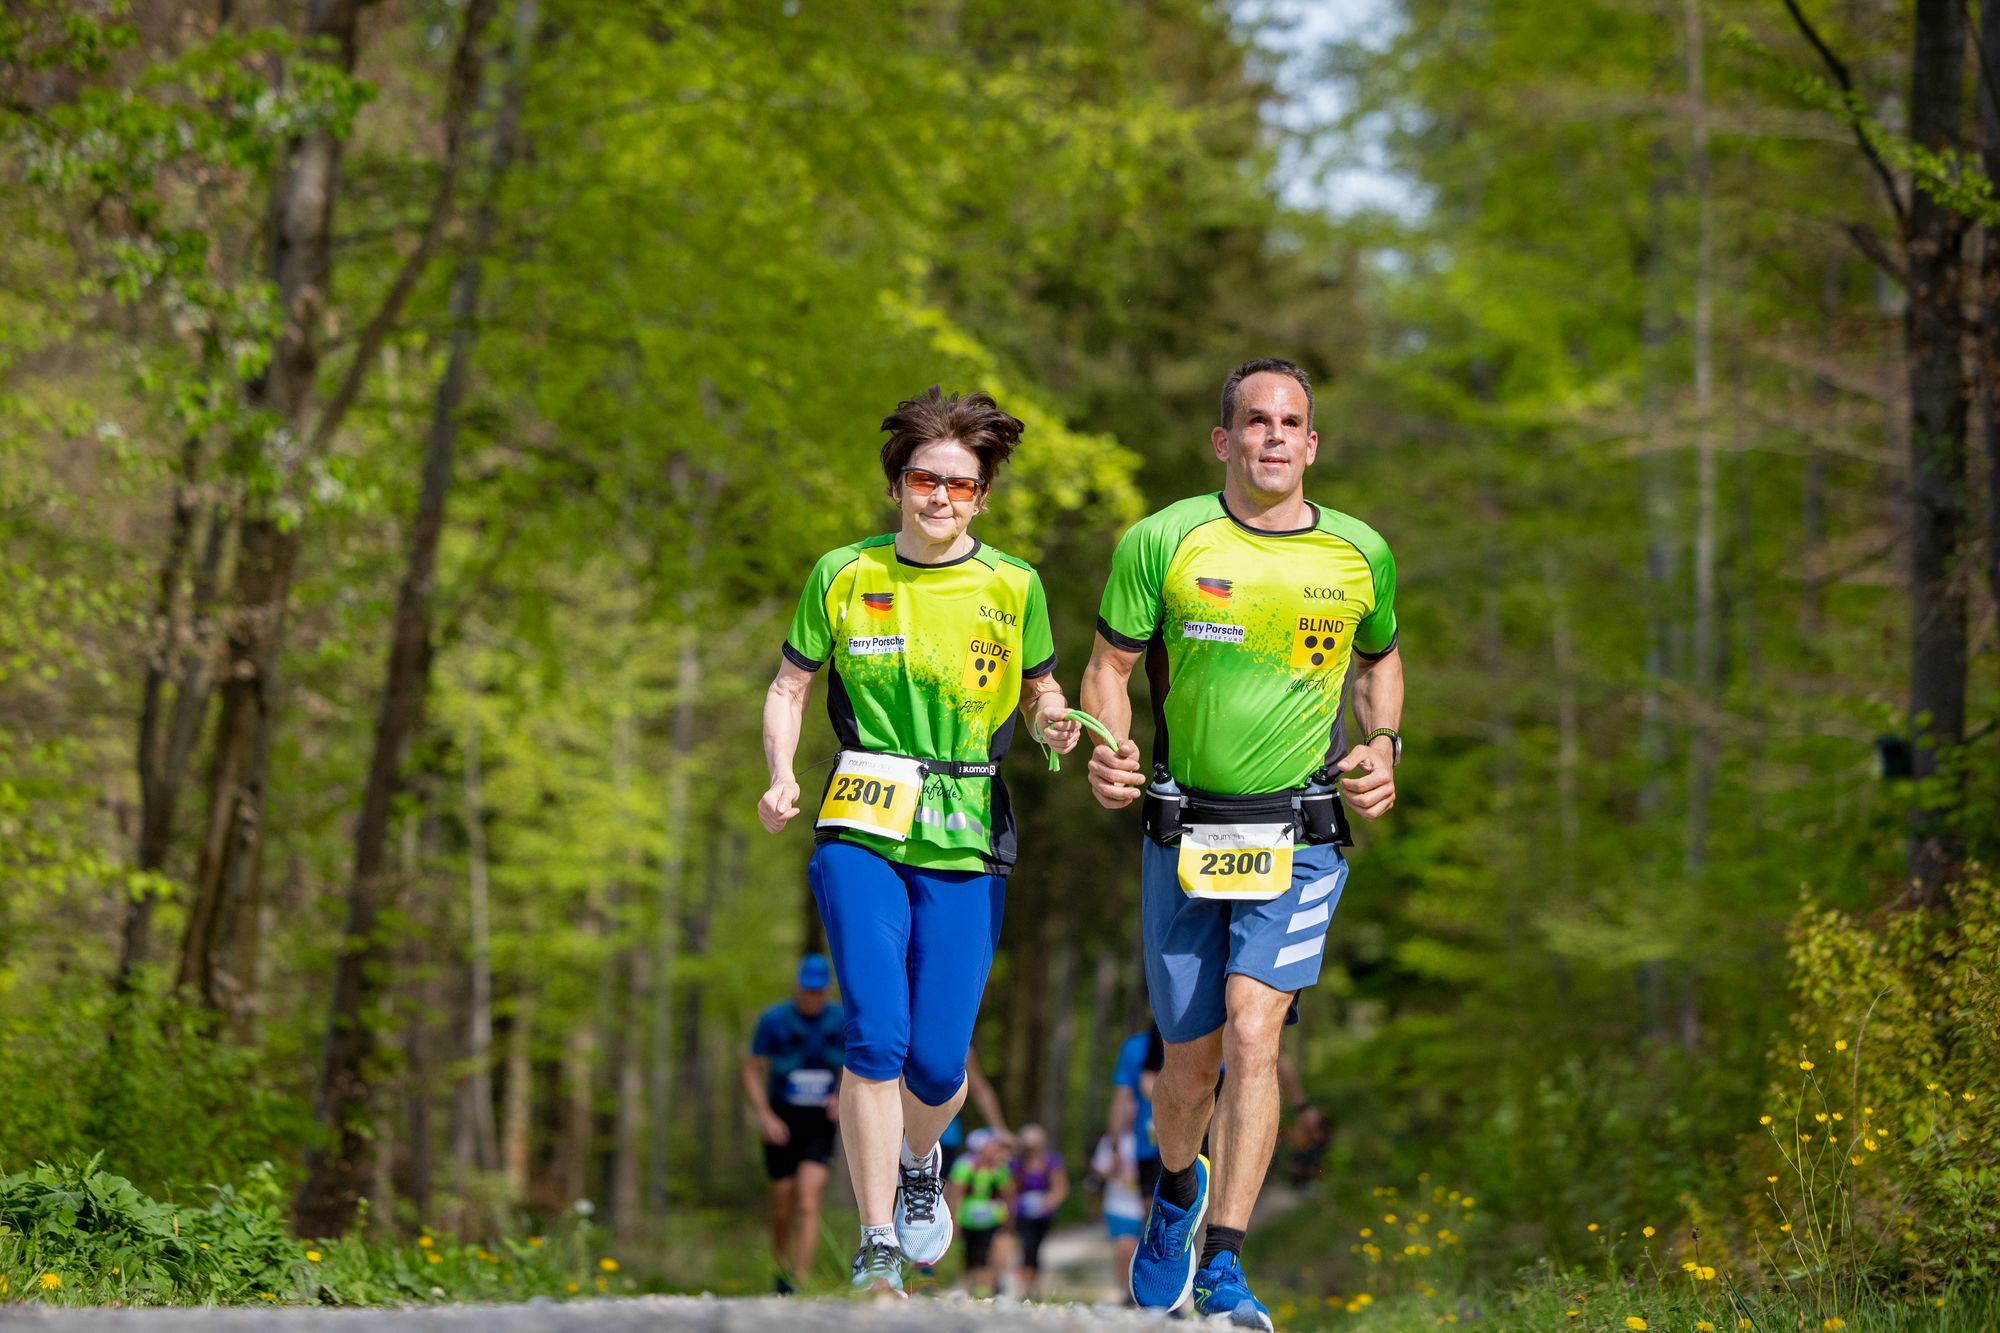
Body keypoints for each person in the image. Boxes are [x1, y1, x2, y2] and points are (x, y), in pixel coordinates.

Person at [1081, 357, 1403, 1330]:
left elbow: (1379, 665)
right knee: (1187, 1067)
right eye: (1252, 421)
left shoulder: (1358, 555)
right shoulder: (1162, 540)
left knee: (1254, 1029)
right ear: (1223, 440)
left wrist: (1384, 744)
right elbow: (1106, 667)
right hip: (1184, 827)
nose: (1271, 436)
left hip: (1299, 831)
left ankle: (1224, 1263)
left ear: (1311, 443)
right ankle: (1176, 1190)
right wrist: (1109, 744)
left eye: (1289, 422)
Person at [757, 387, 1082, 1295]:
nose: (939, 497)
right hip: (861, 814)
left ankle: (917, 1162)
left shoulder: (1014, 585)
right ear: (897, 482)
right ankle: (875, 1246)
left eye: (960, 485)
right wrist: (783, 775)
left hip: (967, 826)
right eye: (923, 479)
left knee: (938, 1059)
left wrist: (1057, 722)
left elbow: (1040, 690)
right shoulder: (844, 573)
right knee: (875, 1035)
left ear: (982, 496)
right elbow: (789, 687)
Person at [741, 954, 845, 1292]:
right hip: (782, 1119)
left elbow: (860, 1063)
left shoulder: (841, 1020)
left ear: (826, 990)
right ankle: (780, 1270)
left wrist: (842, 1094)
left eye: (818, 991)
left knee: (808, 1202)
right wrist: (765, 1116)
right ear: (797, 987)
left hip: (820, 1121)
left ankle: (799, 1284)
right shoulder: (774, 1020)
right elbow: (751, 1069)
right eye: (806, 990)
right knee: (783, 1203)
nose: (811, 997)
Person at [948, 1127, 1015, 1297]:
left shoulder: (999, 1168)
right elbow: (956, 1194)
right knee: (971, 1253)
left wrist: (1010, 1218)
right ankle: (973, 1286)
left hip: (992, 1218)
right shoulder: (964, 1166)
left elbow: (1008, 1193)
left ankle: (989, 1285)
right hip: (968, 1218)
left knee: (990, 1252)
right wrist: (953, 1221)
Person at [1009, 1123, 1068, 1299]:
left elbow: (1060, 1187)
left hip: (1044, 1213)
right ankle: (1025, 1287)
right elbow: (1010, 1187)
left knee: (1036, 1249)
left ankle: (1034, 1286)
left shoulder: (1051, 1161)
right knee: (1027, 1247)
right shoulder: (1017, 1163)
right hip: (1023, 1212)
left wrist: (1051, 1200)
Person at [1108, 1023, 1163, 1202]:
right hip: (1151, 1146)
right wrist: (1115, 1146)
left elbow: (1121, 1099)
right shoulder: (1136, 1047)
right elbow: (1122, 1100)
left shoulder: (1134, 1046)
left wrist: (1115, 1146)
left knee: (1152, 1215)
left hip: (1156, 1146)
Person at [1089, 1130, 1145, 1300]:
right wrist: (1114, 1167)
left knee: (1138, 1250)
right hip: (1117, 1205)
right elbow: (1098, 1169)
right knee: (1123, 1247)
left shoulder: (1149, 1135)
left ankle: (1136, 1289)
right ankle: (1125, 1290)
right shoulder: (1111, 1140)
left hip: (1143, 1204)